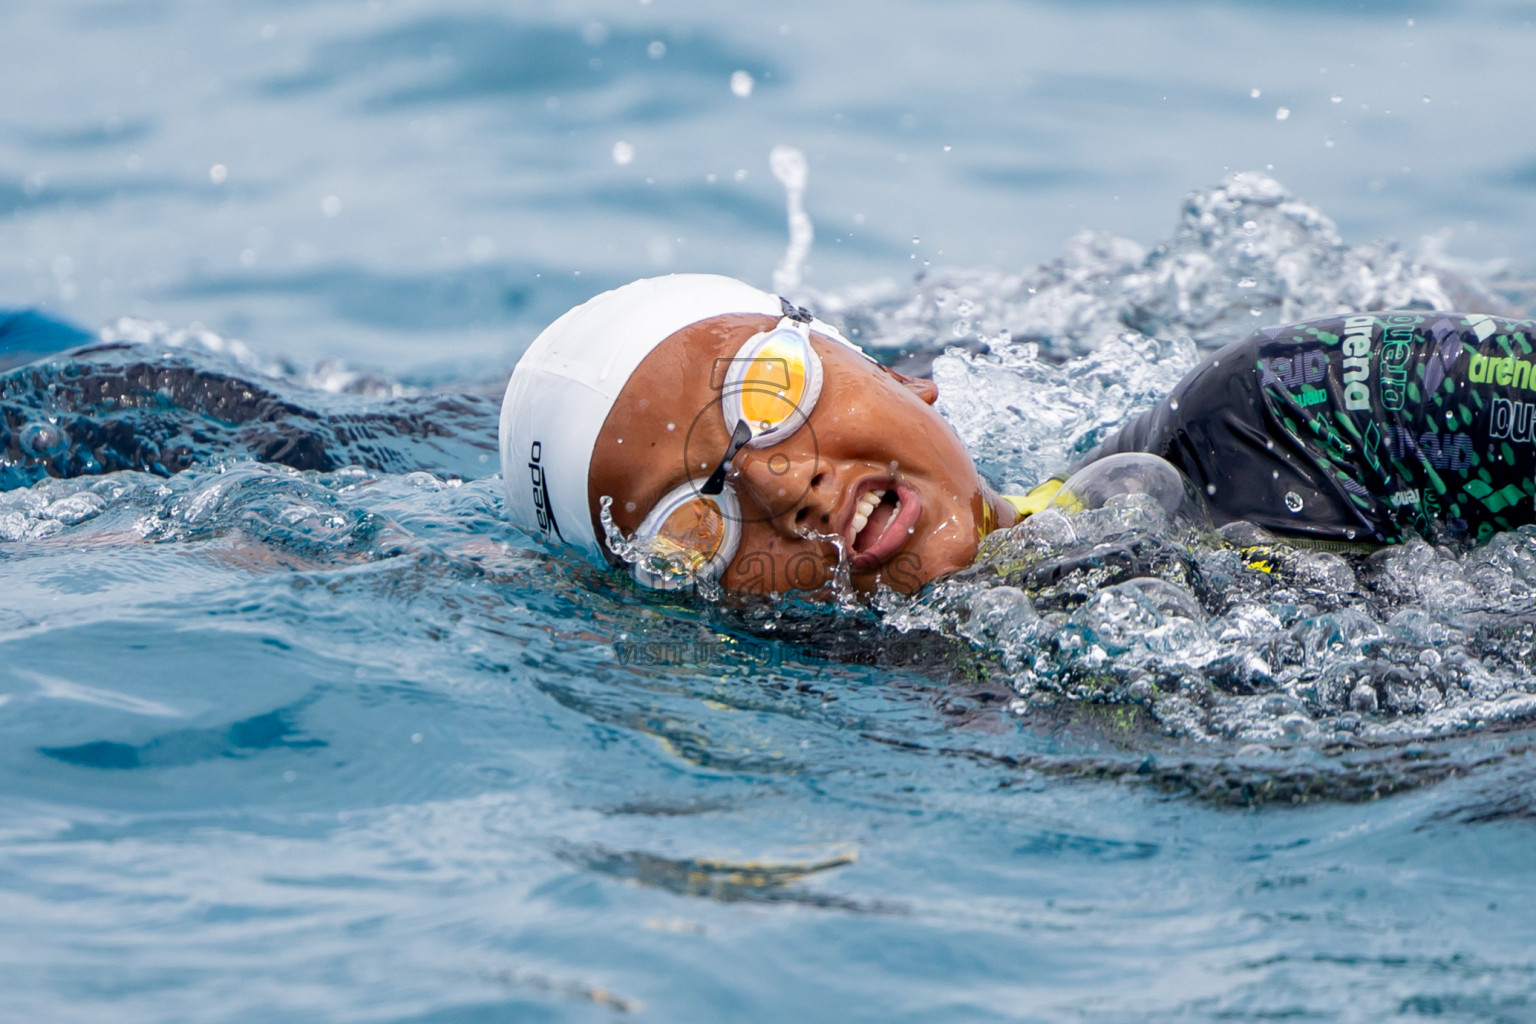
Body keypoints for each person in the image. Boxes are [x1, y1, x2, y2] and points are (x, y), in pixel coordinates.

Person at [500, 274, 1536, 597]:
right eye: (692, 524)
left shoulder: (1281, 417)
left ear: (905, 379)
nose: (779, 484)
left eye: (765, 391)